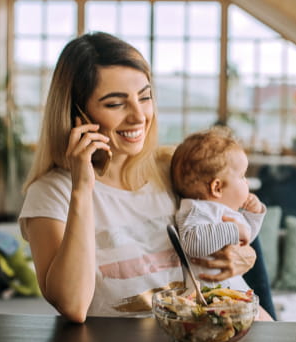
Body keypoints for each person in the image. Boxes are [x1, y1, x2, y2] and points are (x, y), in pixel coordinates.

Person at [18, 32, 271, 322]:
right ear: (77, 114)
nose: (139, 116)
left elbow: (236, 224)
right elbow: (73, 305)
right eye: (115, 103)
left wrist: (244, 256)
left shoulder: (173, 168)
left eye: (145, 97)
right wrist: (83, 188)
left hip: (218, 332)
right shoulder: (52, 193)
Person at [170, 130, 266, 294]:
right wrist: (234, 229)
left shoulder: (223, 210)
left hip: (230, 290)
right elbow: (193, 243)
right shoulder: (197, 209)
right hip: (208, 295)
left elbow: (246, 239)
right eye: (242, 176)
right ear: (217, 187)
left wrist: (254, 215)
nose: (247, 181)